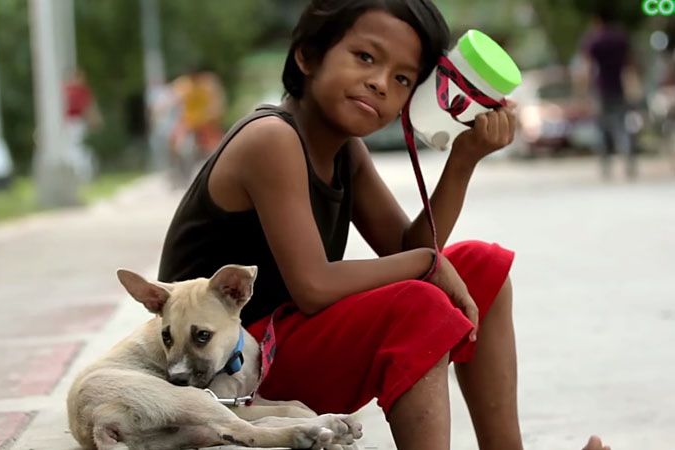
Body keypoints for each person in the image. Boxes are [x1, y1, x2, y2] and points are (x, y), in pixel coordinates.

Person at [157, 1, 610, 449]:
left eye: (402, 79)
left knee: (480, 265)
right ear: (308, 56)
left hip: (277, 341)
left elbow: (408, 246)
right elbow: (314, 284)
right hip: (222, 362)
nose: (379, 83)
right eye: (365, 58)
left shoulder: (346, 152)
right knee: (418, 303)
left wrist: (463, 160)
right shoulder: (271, 139)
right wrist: (425, 262)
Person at [580, 10, 638, 180]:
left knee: (602, 130)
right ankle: (629, 164)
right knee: (622, 128)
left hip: (601, 89)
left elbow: (588, 66)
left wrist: (584, 90)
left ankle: (606, 168)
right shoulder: (620, 38)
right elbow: (631, 62)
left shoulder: (594, 40)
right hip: (619, 88)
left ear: (598, 20)